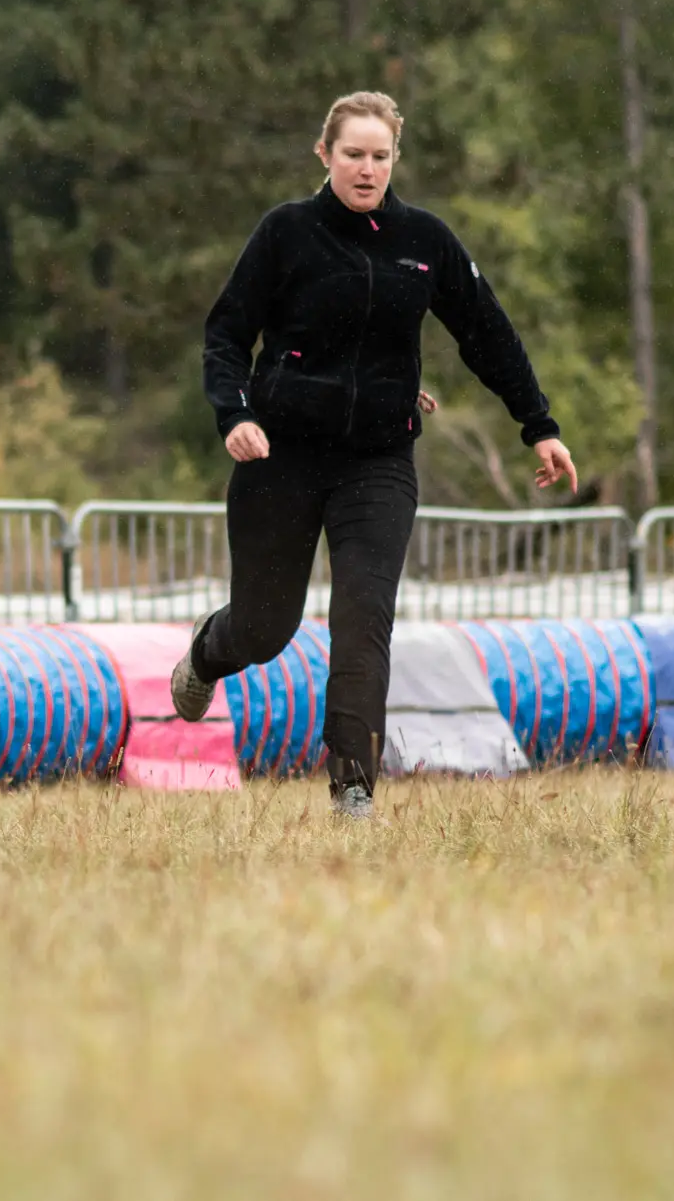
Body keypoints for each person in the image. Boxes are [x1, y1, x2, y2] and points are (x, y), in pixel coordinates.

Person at [172, 90, 578, 819]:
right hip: (281, 454)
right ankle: (209, 650)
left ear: (396, 159)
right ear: (324, 155)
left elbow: (486, 332)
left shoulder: (424, 241)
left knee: (364, 617)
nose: (366, 169)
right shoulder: (286, 232)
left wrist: (539, 424)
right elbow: (227, 332)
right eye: (353, 155)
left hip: (377, 462)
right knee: (267, 627)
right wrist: (233, 412)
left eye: (380, 157)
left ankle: (353, 785)